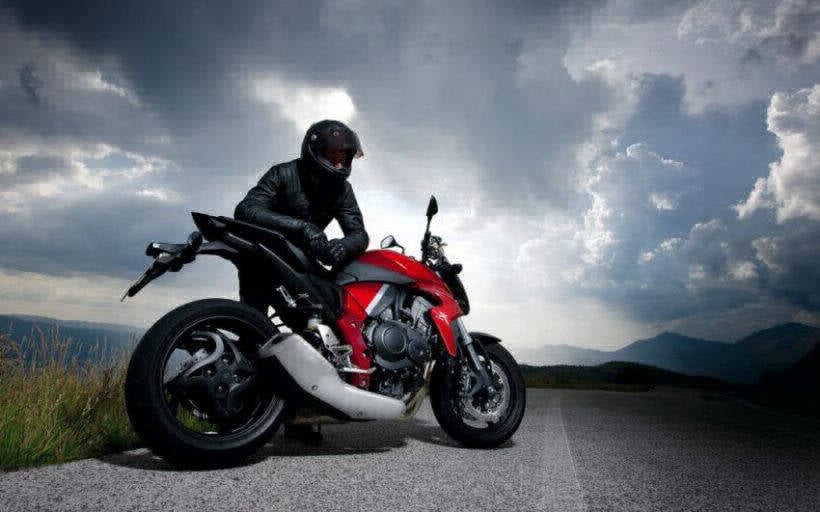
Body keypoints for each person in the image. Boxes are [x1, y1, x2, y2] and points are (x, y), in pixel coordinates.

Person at [233, 119, 370, 445]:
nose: (339, 163)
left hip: (301, 268)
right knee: (252, 332)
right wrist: (300, 227)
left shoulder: (342, 189)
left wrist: (344, 245)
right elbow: (246, 210)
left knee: (314, 334)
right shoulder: (283, 173)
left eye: (344, 157)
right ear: (313, 150)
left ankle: (301, 415)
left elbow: (359, 233)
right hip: (261, 259)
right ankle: (239, 413)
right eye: (333, 155)